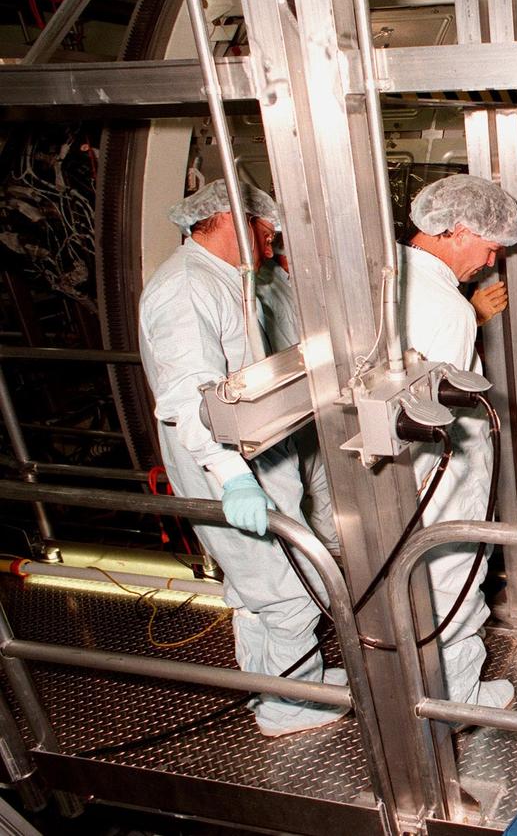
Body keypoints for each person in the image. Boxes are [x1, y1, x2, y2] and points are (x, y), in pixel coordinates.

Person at [139, 179, 347, 737]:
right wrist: (234, 477)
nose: (271, 245)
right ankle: (289, 706)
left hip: (253, 457)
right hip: (226, 467)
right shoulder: (186, 287)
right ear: (231, 218)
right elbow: (188, 397)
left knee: (258, 593)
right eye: (266, 232)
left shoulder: (222, 278)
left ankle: (277, 684)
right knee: (289, 594)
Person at [401, 173, 517, 711]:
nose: (491, 262)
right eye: (491, 247)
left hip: (402, 481)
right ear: (458, 230)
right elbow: (437, 416)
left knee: (417, 587)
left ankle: (423, 691)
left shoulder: (388, 276)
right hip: (442, 478)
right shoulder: (448, 307)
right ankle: (458, 700)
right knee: (454, 583)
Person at [255, 252, 340, 555]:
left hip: (317, 408)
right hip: (284, 415)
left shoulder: (292, 283)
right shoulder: (262, 286)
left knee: (324, 493)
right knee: (295, 498)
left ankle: (334, 560)